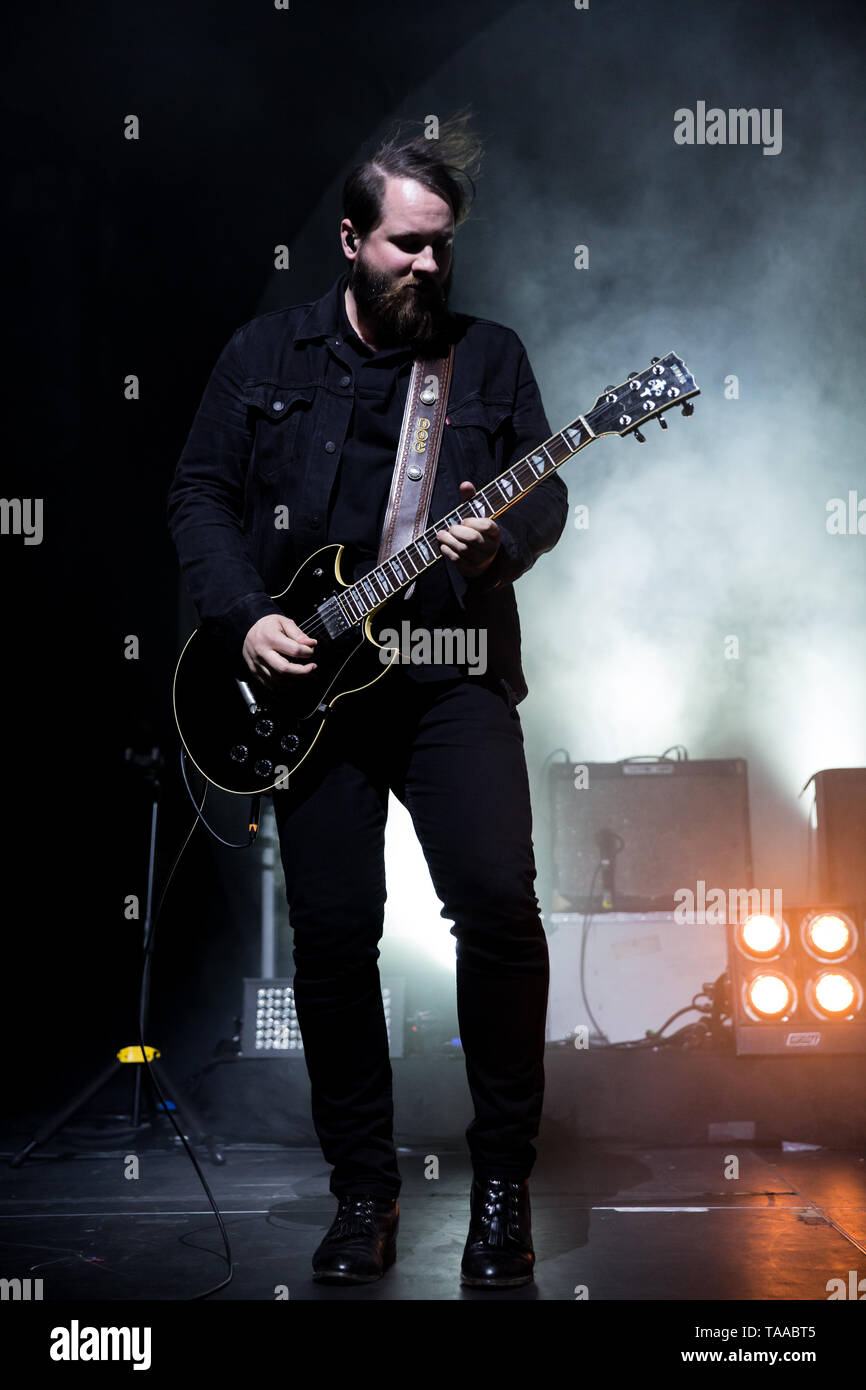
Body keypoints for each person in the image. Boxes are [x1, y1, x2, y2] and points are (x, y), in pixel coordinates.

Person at [167, 113, 568, 1289]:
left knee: (497, 906)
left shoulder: (486, 359)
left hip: (450, 671)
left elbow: (542, 499)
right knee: (333, 941)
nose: (429, 267)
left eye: (443, 246)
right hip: (312, 694)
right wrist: (247, 614)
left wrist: (499, 543)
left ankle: (501, 1187)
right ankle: (363, 1193)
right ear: (350, 239)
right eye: (406, 245)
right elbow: (197, 493)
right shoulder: (264, 356)